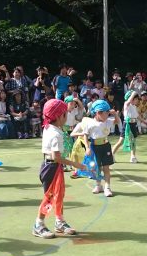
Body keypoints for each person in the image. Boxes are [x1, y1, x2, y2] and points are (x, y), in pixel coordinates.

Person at [32, 99, 86, 239]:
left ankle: (59, 221)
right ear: (59, 116)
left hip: (54, 167)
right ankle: (39, 224)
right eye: (65, 114)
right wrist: (75, 164)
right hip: (51, 167)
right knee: (49, 198)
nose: (67, 116)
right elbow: (56, 157)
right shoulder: (56, 134)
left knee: (59, 194)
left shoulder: (50, 127)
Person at [83, 100, 120, 197]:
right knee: (96, 167)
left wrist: (115, 114)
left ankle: (107, 187)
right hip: (94, 147)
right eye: (105, 113)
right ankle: (98, 185)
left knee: (106, 167)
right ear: (98, 113)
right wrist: (87, 148)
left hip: (105, 146)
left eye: (108, 113)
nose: (107, 115)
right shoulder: (90, 123)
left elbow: (117, 121)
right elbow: (85, 136)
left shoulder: (108, 121)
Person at [112, 90, 139, 163]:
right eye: (135, 99)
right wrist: (133, 94)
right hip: (127, 124)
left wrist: (145, 122)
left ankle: (133, 156)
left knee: (133, 141)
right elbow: (128, 101)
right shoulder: (126, 104)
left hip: (133, 124)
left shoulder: (134, 106)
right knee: (121, 141)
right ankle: (112, 154)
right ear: (132, 98)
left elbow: (137, 116)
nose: (137, 100)